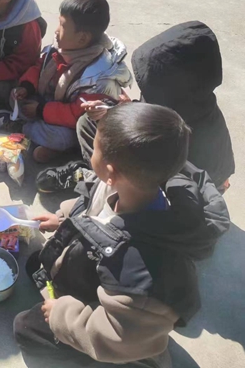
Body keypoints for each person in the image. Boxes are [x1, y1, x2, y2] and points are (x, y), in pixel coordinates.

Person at [15, 102, 230, 368]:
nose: (90, 153)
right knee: (37, 264)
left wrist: (62, 314)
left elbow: (116, 336)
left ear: (110, 172)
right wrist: (62, 219)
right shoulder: (130, 183)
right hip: (101, 266)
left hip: (123, 323)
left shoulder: (144, 269)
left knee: (26, 328)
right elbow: (93, 209)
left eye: (94, 148)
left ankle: (138, 358)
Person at [51, 21, 235, 194]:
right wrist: (118, 109)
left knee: (110, 144)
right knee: (88, 122)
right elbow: (149, 114)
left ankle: (97, 182)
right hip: (163, 164)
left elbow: (151, 157)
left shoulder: (178, 131)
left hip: (178, 192)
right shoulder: (189, 97)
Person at [9, 0, 132, 163]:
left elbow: (76, 114)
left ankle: (59, 149)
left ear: (82, 38)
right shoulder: (61, 47)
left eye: (62, 26)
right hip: (48, 105)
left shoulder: (98, 76)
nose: (56, 30)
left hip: (69, 123)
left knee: (60, 137)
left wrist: (40, 110)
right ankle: (32, 131)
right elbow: (39, 66)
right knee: (15, 96)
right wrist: (26, 87)